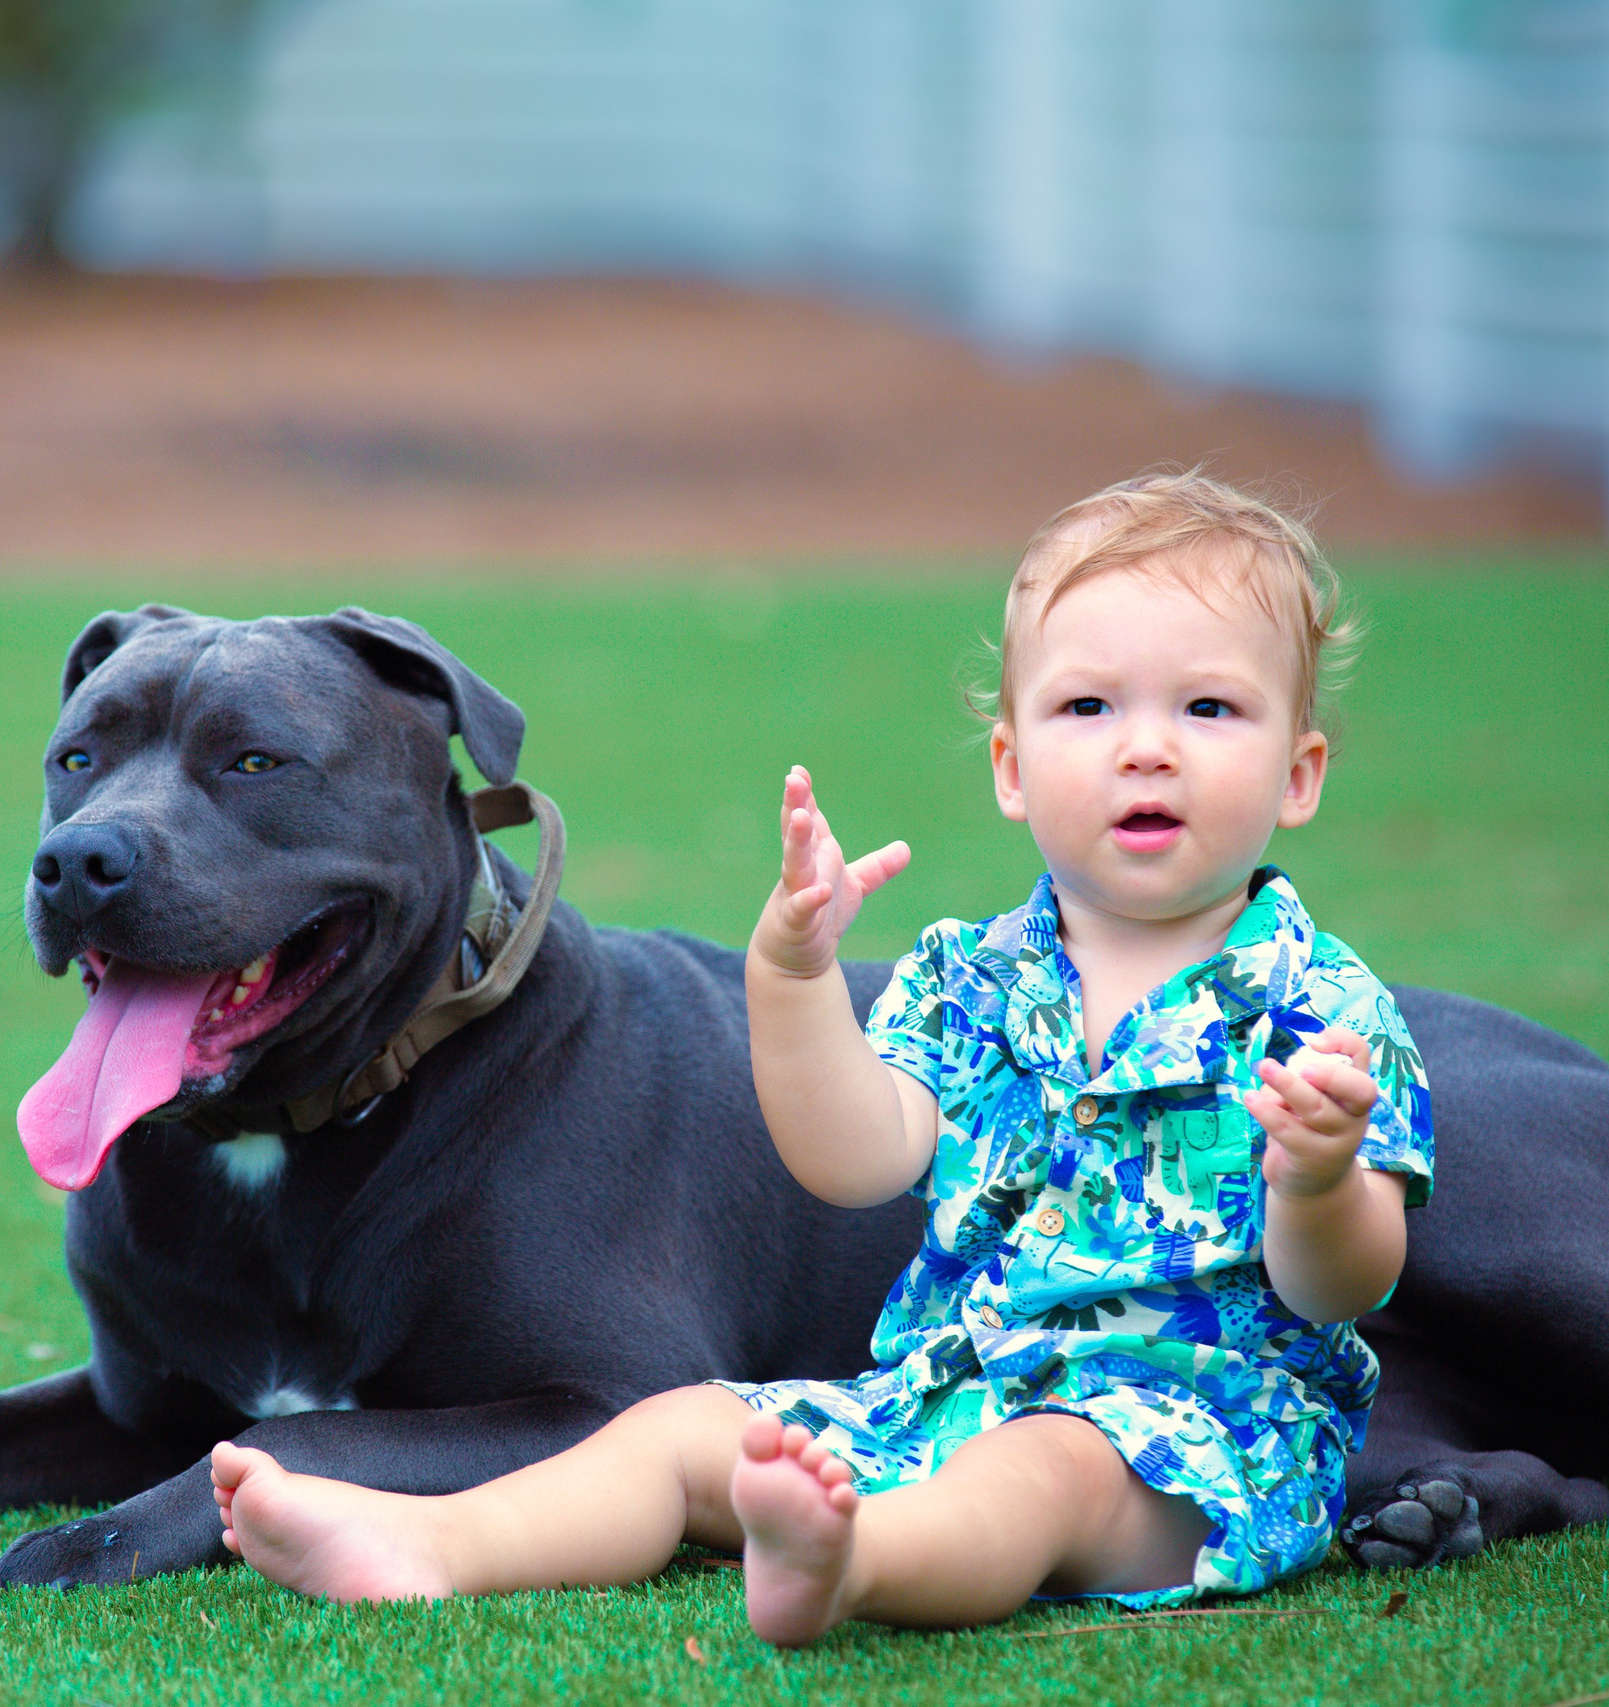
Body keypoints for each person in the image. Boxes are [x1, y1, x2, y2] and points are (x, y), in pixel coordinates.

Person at [209, 470, 1435, 1646]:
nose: (1146, 748)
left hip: (1200, 1443)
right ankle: (437, 1548)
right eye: (1088, 707)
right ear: (1011, 769)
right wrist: (791, 983)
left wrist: (1321, 1182)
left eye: (1207, 709)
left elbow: (1346, 1287)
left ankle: (850, 1563)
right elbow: (854, 1160)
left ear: (1299, 774)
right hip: (943, 1395)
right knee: (682, 1429)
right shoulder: (974, 975)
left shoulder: (1319, 1007)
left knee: (1041, 1472)